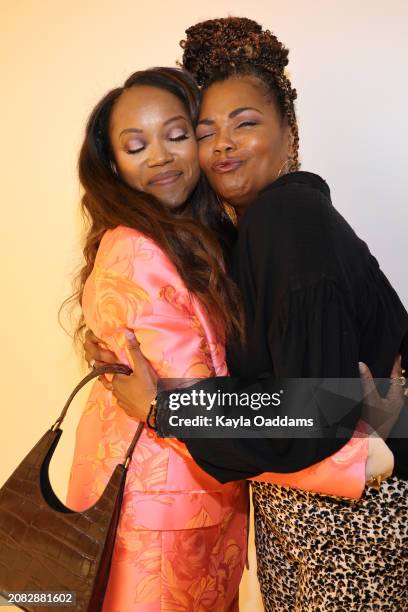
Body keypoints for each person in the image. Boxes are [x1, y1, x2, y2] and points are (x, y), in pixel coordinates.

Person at [86, 18, 408, 611]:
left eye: (246, 123)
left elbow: (313, 411)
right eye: (205, 132)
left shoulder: (285, 222)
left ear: (290, 133)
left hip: (351, 531)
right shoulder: (260, 230)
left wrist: (166, 406)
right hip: (316, 518)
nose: (223, 145)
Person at [65, 67, 249, 612]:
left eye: (175, 135)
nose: (160, 157)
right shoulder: (140, 249)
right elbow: (197, 411)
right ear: (113, 165)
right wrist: (351, 444)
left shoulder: (193, 240)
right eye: (136, 145)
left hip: (187, 503)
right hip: (159, 517)